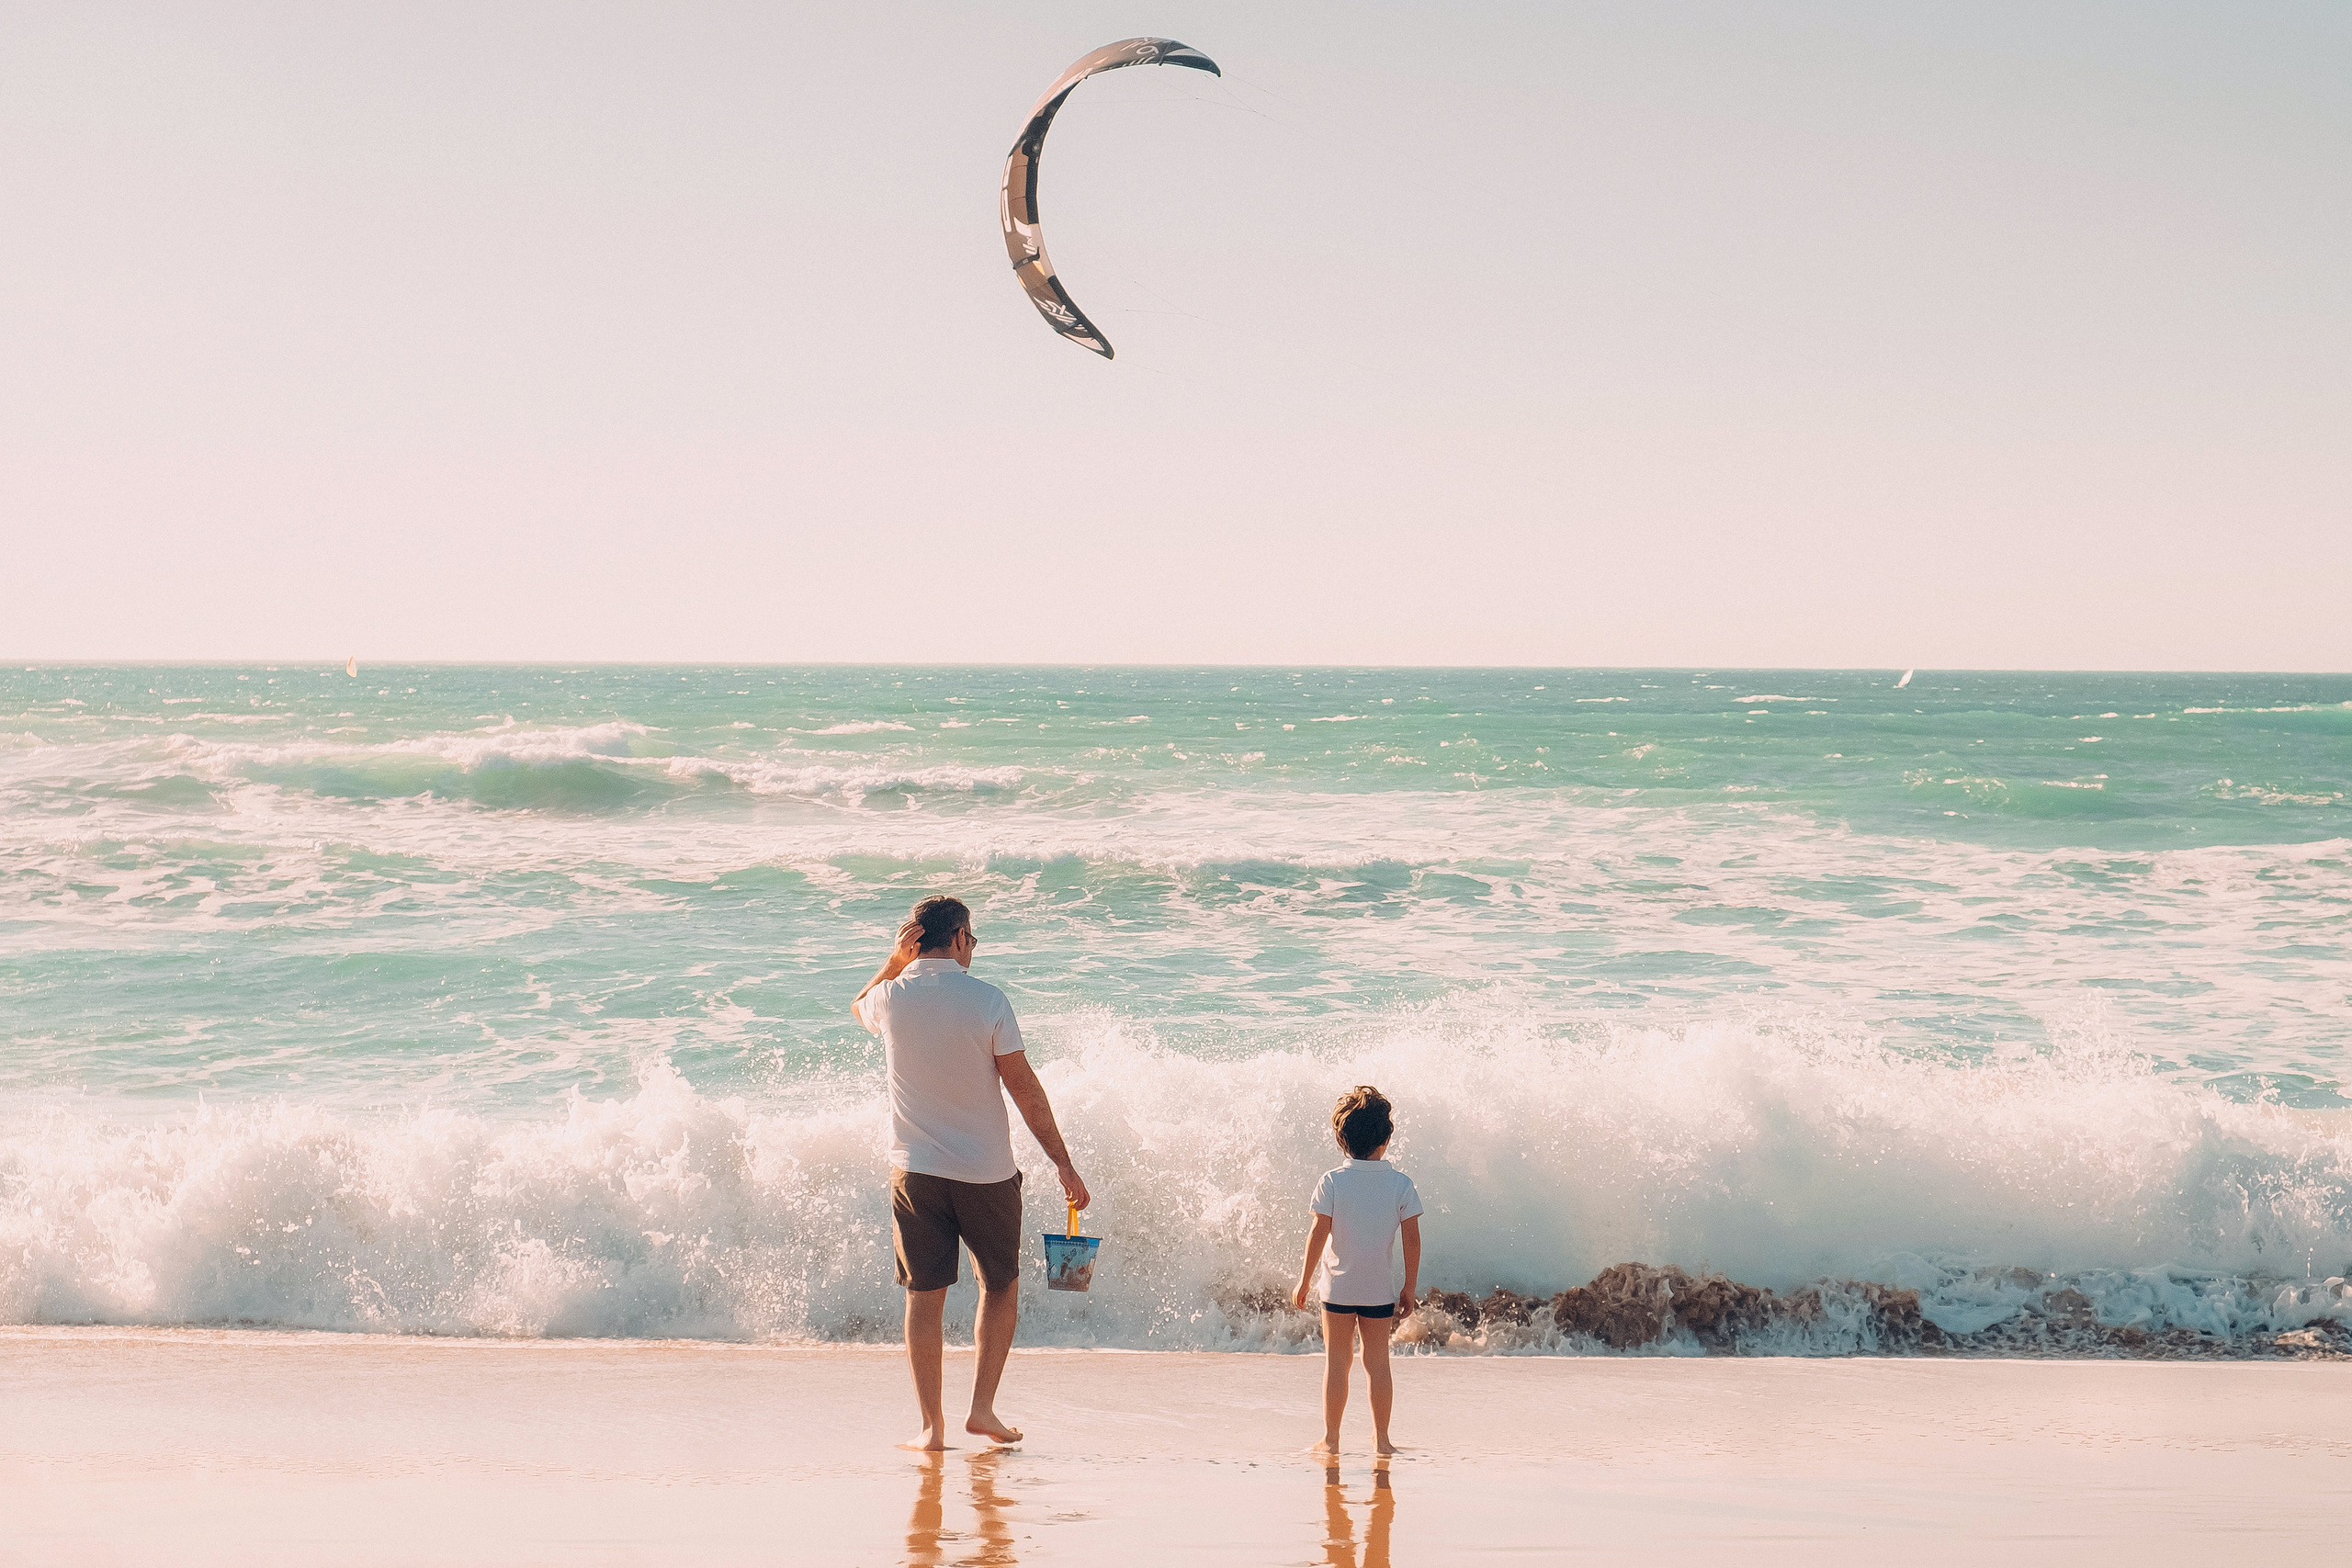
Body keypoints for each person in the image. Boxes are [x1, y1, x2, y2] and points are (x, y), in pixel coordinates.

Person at [854, 895, 1090, 1451]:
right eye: (973, 940)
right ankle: (982, 1409)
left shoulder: (890, 998)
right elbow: (1025, 1089)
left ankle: (932, 1427)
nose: (973, 951)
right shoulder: (987, 1001)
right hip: (987, 1173)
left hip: (916, 1174)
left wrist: (894, 961)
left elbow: (857, 1004)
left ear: (916, 940)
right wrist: (1063, 1161)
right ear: (958, 936)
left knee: (924, 1295)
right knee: (1001, 1286)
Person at [1291, 1085, 1421, 1457]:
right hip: (1379, 1292)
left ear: (1342, 1140)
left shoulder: (1332, 1181)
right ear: (1385, 1138)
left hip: (1337, 1292)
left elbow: (1319, 1232)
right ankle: (1382, 1441)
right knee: (1377, 1364)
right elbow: (1412, 1240)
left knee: (1337, 1364)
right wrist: (1409, 1286)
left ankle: (1331, 1440)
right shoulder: (1400, 1184)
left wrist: (1304, 1280)